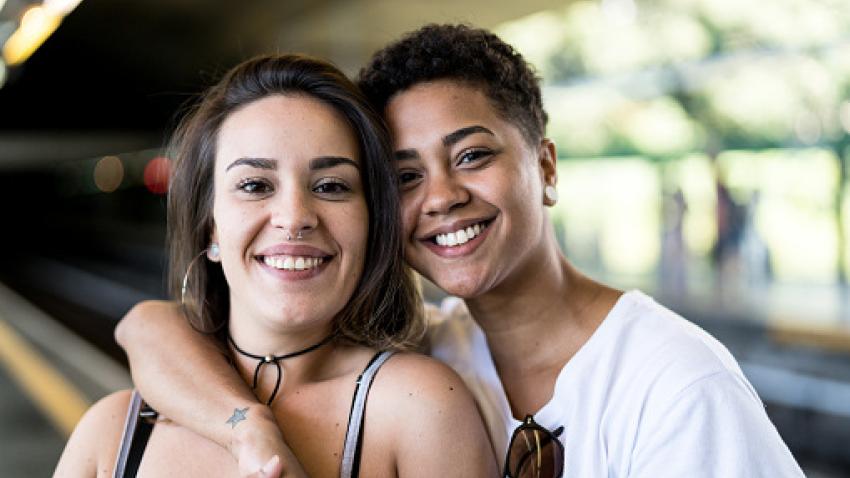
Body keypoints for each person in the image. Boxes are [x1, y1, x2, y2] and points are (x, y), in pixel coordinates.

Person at [113, 25, 805, 477]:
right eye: (407, 176)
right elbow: (151, 327)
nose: (441, 197)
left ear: (548, 167)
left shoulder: (676, 385)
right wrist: (248, 428)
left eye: (472, 155)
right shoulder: (442, 342)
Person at [53, 54, 497, 478]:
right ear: (210, 226)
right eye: (254, 184)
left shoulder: (422, 408)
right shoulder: (110, 433)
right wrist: (249, 430)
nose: (295, 216)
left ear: (372, 220)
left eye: (330, 185)